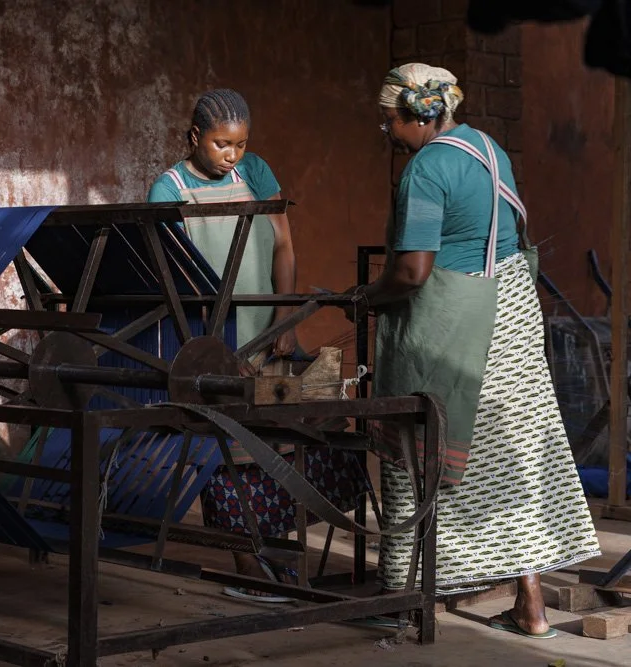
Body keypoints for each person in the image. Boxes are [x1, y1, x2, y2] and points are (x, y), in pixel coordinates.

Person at [345, 63, 600, 637]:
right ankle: (530, 606)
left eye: (390, 123)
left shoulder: (426, 170)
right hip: (509, 319)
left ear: (418, 116)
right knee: (508, 464)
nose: (389, 134)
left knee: (421, 449)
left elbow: (412, 272)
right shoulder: (488, 149)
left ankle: (416, 594)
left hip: (457, 325)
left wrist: (366, 296)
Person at [148, 89, 371, 601]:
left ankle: (272, 552)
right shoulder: (168, 189)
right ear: (194, 138)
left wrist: (285, 319)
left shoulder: (257, 175)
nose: (232, 155)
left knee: (280, 441)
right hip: (208, 341)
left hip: (265, 332)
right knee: (222, 448)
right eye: (221, 144)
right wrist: (207, 350)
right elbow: (169, 279)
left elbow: (285, 246)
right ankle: (246, 561)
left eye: (241, 144)